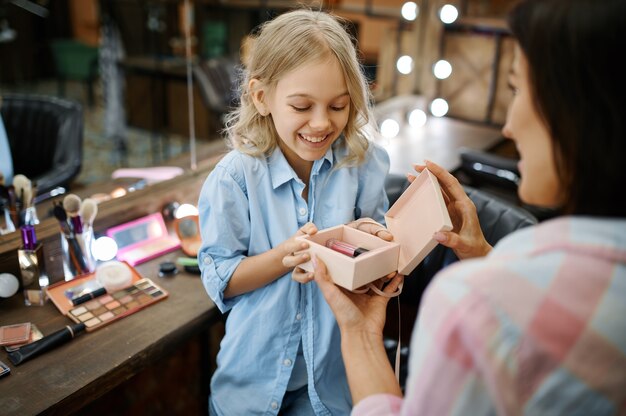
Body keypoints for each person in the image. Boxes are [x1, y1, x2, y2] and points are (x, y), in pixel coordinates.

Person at [313, 0, 626, 414]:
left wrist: (358, 333)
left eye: (516, 88)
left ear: (580, 113)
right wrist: (482, 256)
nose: (509, 126)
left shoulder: (478, 304)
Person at [197, 9, 393, 415]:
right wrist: (286, 255)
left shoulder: (364, 163)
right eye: (302, 106)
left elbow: (380, 264)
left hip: (334, 387)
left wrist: (371, 244)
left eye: (338, 106)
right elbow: (223, 280)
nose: (321, 124)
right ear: (261, 97)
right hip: (248, 387)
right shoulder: (234, 178)